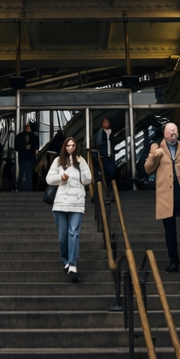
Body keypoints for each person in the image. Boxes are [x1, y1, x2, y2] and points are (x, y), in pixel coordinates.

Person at [144, 121, 180, 282]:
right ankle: (174, 262)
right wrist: (156, 156)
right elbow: (147, 169)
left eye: (175, 131)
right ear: (165, 133)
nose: (173, 134)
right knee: (170, 231)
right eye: (170, 132)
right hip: (165, 195)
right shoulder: (157, 148)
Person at [47, 134, 93, 283]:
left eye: (73, 145)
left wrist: (81, 165)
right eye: (68, 145)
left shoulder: (81, 161)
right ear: (64, 147)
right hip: (60, 203)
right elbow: (49, 179)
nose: (71, 148)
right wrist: (62, 178)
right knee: (62, 237)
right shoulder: (58, 161)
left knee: (74, 233)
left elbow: (88, 180)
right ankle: (65, 260)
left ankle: (73, 264)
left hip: (77, 203)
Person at [14, 120, 38, 192]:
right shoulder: (34, 137)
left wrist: (22, 148)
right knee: (28, 175)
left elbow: (16, 148)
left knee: (21, 174)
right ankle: (28, 190)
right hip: (30, 157)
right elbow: (37, 149)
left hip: (21, 157)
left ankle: (19, 188)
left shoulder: (19, 136)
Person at [95, 117, 116, 183]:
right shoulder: (100, 132)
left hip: (111, 155)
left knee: (112, 171)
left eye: (107, 121)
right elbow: (99, 143)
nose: (106, 123)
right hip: (103, 156)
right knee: (105, 171)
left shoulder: (112, 131)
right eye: (105, 121)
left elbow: (114, 141)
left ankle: (112, 184)